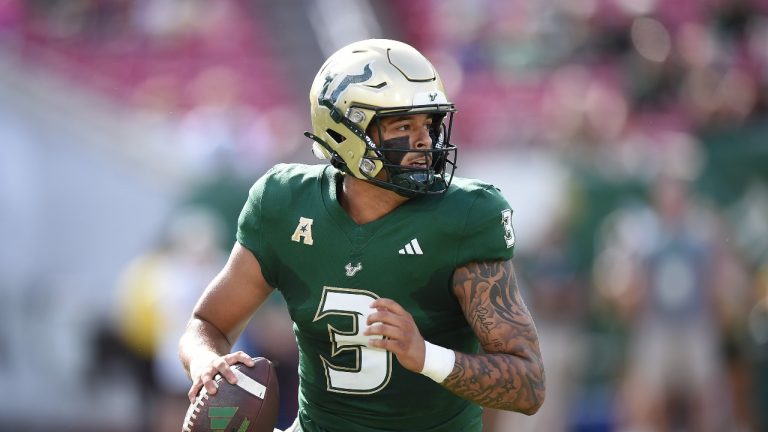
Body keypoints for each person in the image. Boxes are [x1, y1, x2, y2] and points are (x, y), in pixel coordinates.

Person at [178, 38, 545, 432]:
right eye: (403, 126)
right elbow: (207, 324)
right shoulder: (284, 202)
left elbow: (528, 384)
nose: (425, 140)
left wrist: (425, 356)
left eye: (429, 124)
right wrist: (206, 363)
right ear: (345, 131)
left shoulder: (465, 214)